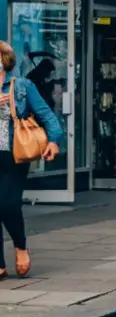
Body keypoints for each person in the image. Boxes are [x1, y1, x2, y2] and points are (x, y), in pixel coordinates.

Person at [0, 41, 62, 278]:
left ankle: (20, 245)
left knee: (7, 204)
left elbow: (46, 115)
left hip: (14, 154)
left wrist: (54, 141)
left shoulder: (22, 86)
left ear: (4, 60)